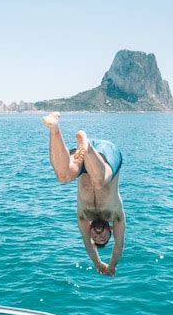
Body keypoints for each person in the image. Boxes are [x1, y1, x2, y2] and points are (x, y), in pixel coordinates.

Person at [43, 112, 125, 276]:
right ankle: (86, 147)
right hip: (107, 156)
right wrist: (111, 265)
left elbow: (88, 244)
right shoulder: (116, 217)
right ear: (111, 231)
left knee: (63, 176)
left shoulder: (83, 216)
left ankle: (54, 129)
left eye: (96, 238)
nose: (99, 236)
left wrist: (96, 263)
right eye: (104, 238)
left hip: (89, 159)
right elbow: (118, 247)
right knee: (100, 182)